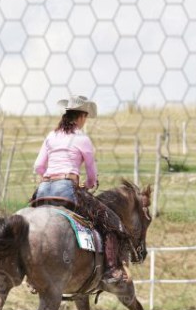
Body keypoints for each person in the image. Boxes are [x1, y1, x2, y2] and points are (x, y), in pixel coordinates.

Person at [33, 95, 126, 284]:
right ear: (82, 116)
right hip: (66, 189)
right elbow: (91, 172)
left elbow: (38, 166)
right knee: (110, 221)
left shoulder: (51, 136)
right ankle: (110, 269)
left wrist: (49, 176)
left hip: (43, 190)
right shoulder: (82, 138)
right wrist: (89, 184)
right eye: (86, 117)